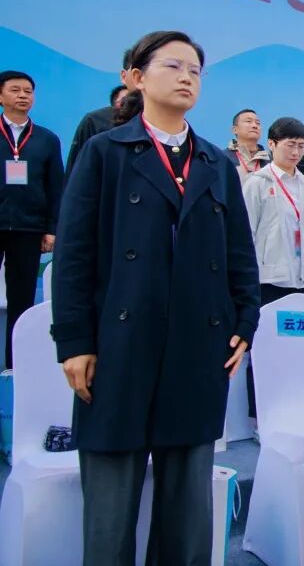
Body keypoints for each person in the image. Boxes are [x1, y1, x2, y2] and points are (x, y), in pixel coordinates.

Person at [51, 31, 260, 565]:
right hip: (118, 345)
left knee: (187, 510)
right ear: (137, 78)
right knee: (110, 508)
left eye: (195, 70)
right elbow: (73, 254)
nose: (187, 77)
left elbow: (239, 253)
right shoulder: (105, 152)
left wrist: (245, 322)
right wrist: (74, 341)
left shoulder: (215, 163)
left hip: (197, 346)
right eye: (173, 66)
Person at [0, 70, 63, 369]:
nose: (23, 95)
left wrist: (51, 228)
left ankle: (15, 366)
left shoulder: (47, 139)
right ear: (1, 96)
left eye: (28, 91)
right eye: (15, 90)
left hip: (28, 227)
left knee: (21, 298)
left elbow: (55, 187)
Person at [243, 117, 304, 305]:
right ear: (271, 144)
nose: (296, 152)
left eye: (301, 146)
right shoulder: (257, 183)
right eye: (290, 145)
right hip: (268, 280)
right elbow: (246, 233)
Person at [66, 77, 129, 181]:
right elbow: (76, 164)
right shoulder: (94, 120)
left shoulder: (149, 121)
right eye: (124, 100)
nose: (129, 103)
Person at [226, 108, 269, 180]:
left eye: (258, 123)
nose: (255, 126)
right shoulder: (224, 158)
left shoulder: (271, 161)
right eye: (248, 121)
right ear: (235, 130)